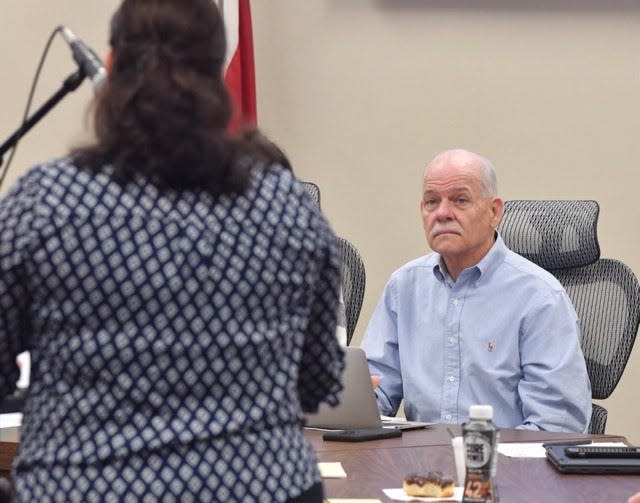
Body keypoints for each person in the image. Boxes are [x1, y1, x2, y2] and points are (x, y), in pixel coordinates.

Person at [0, 1, 345, 501]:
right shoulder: (290, 207)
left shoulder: (44, 203)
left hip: (84, 488)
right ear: (216, 74)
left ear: (111, 69)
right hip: (265, 489)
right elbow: (316, 385)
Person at [361, 148, 592, 432]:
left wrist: (478, 462)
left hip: (508, 470)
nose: (443, 213)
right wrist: (352, 403)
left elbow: (556, 425)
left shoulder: (541, 298)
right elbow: (374, 392)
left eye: (460, 200)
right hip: (422, 469)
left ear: (494, 212)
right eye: (432, 201)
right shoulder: (404, 286)